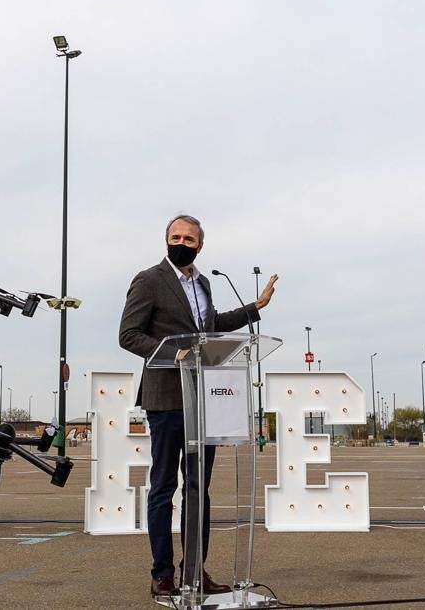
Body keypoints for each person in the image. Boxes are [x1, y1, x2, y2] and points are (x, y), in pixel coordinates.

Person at [118, 214, 277, 598]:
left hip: (203, 399)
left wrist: (254, 307)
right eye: (176, 236)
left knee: (197, 489)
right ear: (165, 240)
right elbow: (129, 335)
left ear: (200, 245)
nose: (182, 241)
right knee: (163, 487)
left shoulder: (203, 283)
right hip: (166, 398)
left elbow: (210, 327)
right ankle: (162, 575)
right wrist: (177, 354)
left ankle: (195, 572)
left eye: (189, 238)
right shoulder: (149, 280)